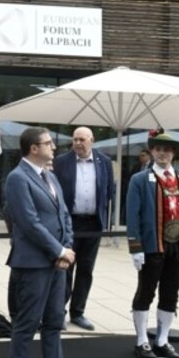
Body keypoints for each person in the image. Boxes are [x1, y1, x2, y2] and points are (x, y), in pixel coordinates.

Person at [126, 130, 179, 358]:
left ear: (173, 153)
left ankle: (162, 340)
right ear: (151, 152)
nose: (162, 154)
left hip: (178, 247)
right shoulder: (139, 180)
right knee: (146, 293)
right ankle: (141, 341)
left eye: (166, 150)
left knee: (170, 294)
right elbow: (132, 214)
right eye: (157, 149)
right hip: (151, 246)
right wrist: (136, 247)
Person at [6, 127, 74, 358]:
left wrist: (67, 249)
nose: (53, 147)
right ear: (34, 149)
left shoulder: (51, 176)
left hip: (58, 264)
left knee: (55, 323)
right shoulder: (17, 178)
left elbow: (64, 215)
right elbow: (28, 222)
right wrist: (59, 251)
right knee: (26, 323)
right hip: (33, 264)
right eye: (48, 143)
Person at [53, 126, 114, 331]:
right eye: (75, 139)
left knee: (86, 270)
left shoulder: (104, 162)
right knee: (65, 268)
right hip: (69, 223)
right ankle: (58, 312)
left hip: (93, 224)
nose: (78, 143)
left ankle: (78, 312)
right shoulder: (62, 161)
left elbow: (108, 192)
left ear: (92, 140)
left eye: (82, 140)